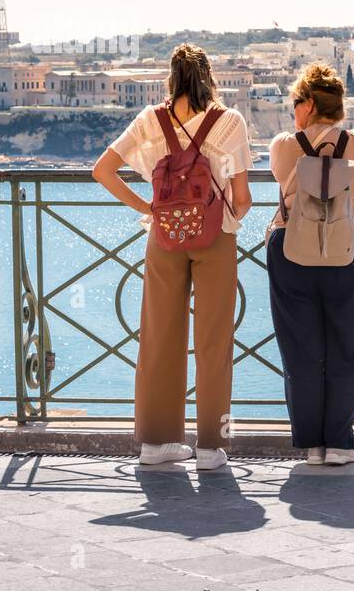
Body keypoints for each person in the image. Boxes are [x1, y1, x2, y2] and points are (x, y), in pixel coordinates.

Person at [92, 44, 252, 470]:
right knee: (214, 341)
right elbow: (242, 197)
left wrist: (147, 208)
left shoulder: (150, 119)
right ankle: (210, 448)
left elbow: (102, 170)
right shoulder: (230, 121)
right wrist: (223, 218)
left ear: (171, 76)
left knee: (160, 335)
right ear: (210, 76)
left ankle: (156, 443)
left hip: (163, 236)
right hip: (216, 237)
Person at [267, 63, 354, 465]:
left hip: (291, 249)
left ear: (308, 105)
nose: (293, 110)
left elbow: (279, 176)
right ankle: (340, 445)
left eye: (295, 102)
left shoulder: (283, 145)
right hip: (348, 248)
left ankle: (311, 445)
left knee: (300, 349)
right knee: (346, 346)